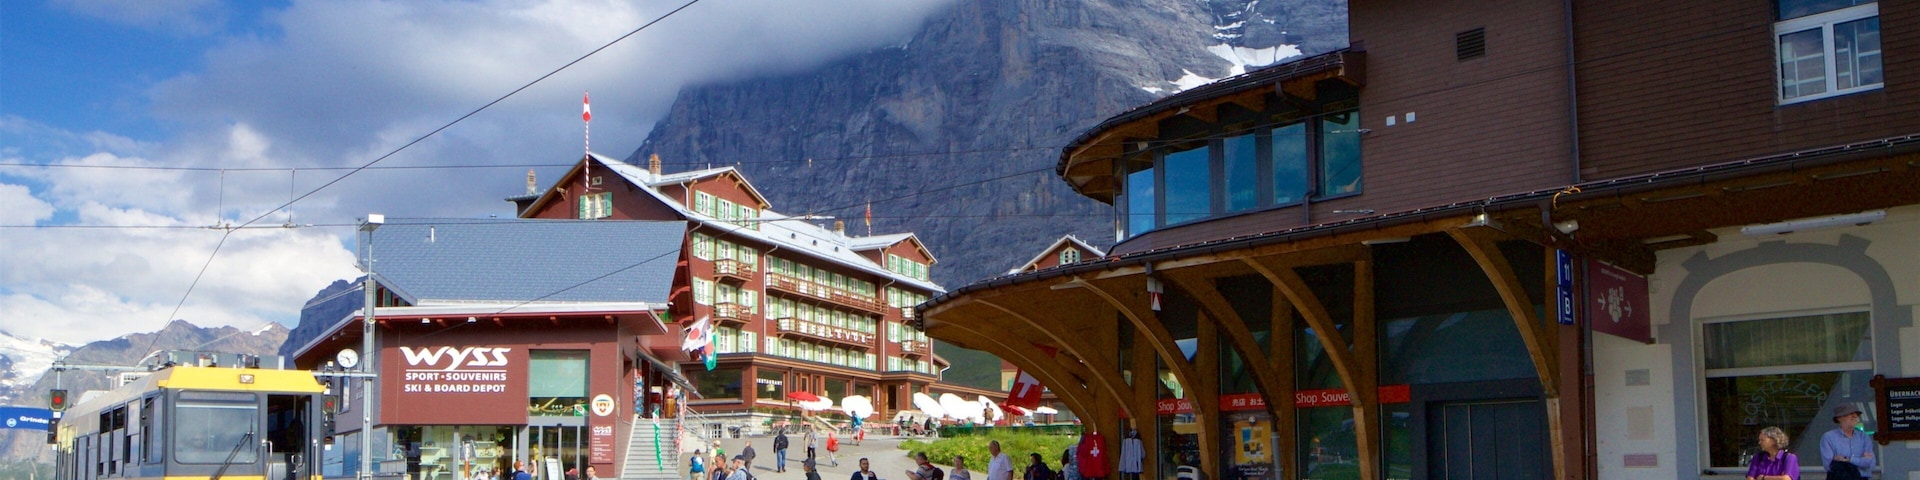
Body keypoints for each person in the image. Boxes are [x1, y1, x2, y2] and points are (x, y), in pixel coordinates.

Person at [1822, 404, 1875, 480]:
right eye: (1850, 414)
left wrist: (1847, 459)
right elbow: (1829, 465)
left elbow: (1869, 463)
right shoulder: (1829, 437)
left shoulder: (1864, 437)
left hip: (1862, 477)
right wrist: (1859, 461)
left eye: (1856, 414)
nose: (1855, 417)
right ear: (1839, 418)